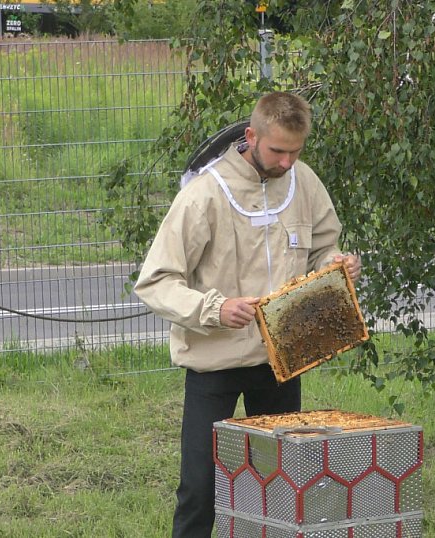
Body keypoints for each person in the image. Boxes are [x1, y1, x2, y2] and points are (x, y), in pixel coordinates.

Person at [133, 91, 362, 538]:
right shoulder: (204, 196)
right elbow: (155, 281)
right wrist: (215, 309)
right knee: (200, 491)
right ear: (251, 136)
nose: (286, 163)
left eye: (296, 151)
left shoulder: (305, 182)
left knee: (279, 492)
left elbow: (323, 248)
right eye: (278, 150)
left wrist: (337, 264)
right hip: (214, 365)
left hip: (282, 363)